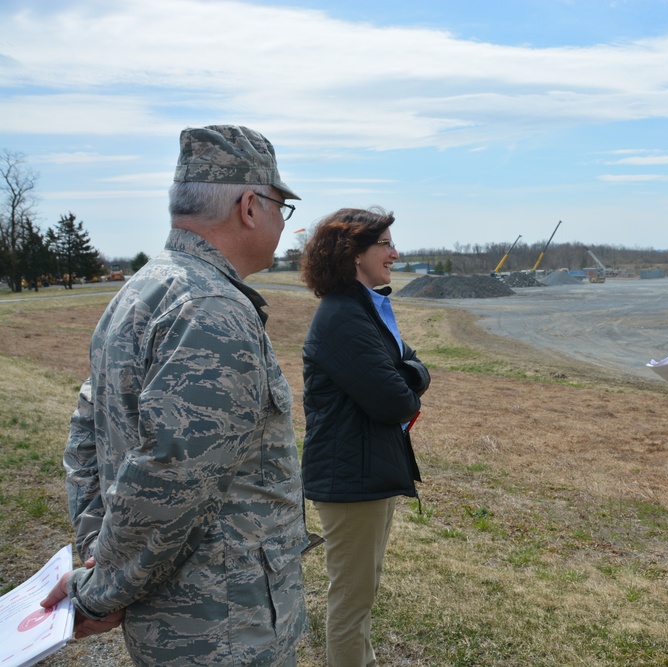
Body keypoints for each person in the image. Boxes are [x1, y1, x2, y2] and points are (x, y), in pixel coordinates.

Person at [40, 125, 309, 666]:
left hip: (186, 620)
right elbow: (170, 477)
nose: (284, 221)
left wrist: (101, 558)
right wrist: (102, 590)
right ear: (250, 206)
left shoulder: (144, 289)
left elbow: (87, 435)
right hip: (222, 627)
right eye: (283, 205)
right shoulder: (211, 308)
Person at [299, 207, 428, 667]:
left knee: (361, 595)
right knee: (351, 602)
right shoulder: (342, 317)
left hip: (365, 472)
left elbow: (410, 363)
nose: (395, 253)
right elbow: (396, 401)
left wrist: (407, 374)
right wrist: (408, 378)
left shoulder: (362, 307)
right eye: (385, 244)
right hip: (350, 481)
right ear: (355, 253)